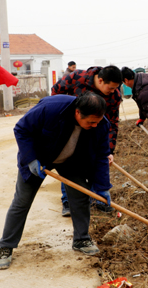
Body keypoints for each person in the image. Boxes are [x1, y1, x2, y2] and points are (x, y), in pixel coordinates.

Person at [0, 92, 112, 269]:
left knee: (81, 197)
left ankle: (81, 239)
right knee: (22, 201)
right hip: (39, 158)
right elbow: (21, 129)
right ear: (78, 113)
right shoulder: (50, 109)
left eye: (97, 121)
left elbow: (102, 156)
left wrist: (102, 187)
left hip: (72, 160)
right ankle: (6, 247)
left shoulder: (101, 124)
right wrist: (31, 159)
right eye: (91, 122)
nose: (95, 125)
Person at [51, 65, 122, 216]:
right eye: (111, 88)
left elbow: (113, 122)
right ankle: (68, 202)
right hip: (73, 128)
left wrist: (109, 150)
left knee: (96, 162)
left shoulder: (114, 95)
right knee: (68, 164)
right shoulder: (77, 78)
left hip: (95, 132)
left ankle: (99, 198)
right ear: (100, 80)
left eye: (116, 88)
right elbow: (56, 92)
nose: (113, 91)